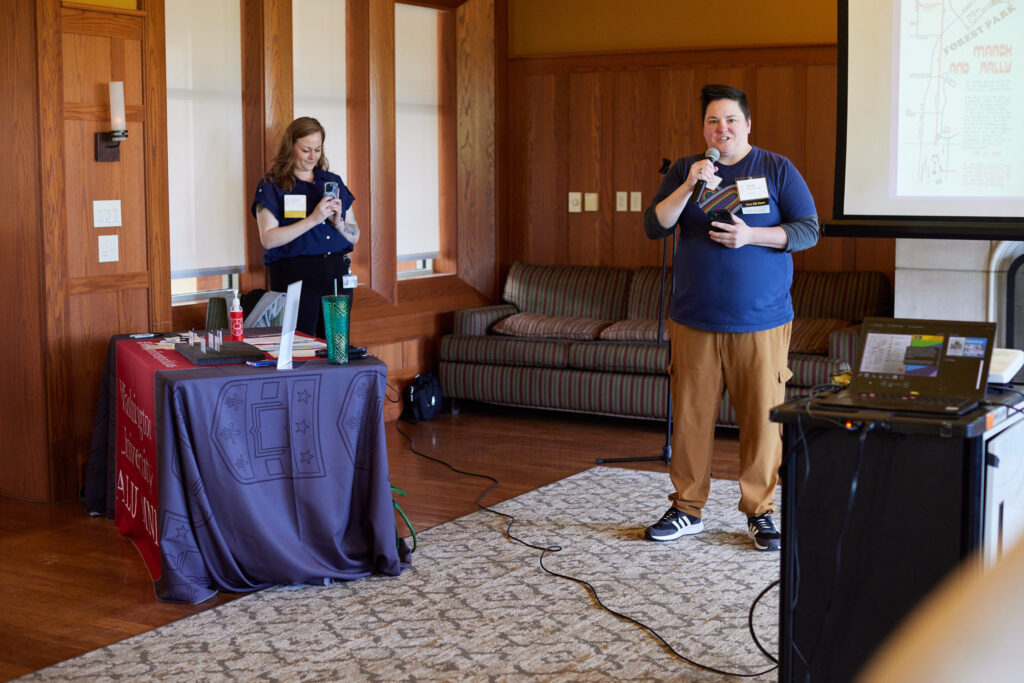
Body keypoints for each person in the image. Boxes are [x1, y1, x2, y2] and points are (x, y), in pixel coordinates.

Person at [642, 84, 819, 551]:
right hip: (694, 318)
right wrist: (688, 183)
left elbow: (808, 230)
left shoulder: (777, 168)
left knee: (763, 422)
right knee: (692, 418)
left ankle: (760, 512)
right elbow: (654, 226)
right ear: (704, 129)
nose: (722, 129)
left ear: (747, 125)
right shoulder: (687, 169)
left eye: (730, 120)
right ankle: (686, 508)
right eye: (712, 122)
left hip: (760, 321)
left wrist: (751, 237)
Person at [251, 116, 359, 338]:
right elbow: (268, 239)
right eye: (306, 150)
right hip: (295, 275)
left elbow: (354, 235)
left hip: (336, 274)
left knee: (336, 346)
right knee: (301, 346)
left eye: (317, 150)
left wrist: (338, 222)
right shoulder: (273, 185)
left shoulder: (332, 181)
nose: (313, 157)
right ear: (291, 147)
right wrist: (313, 218)